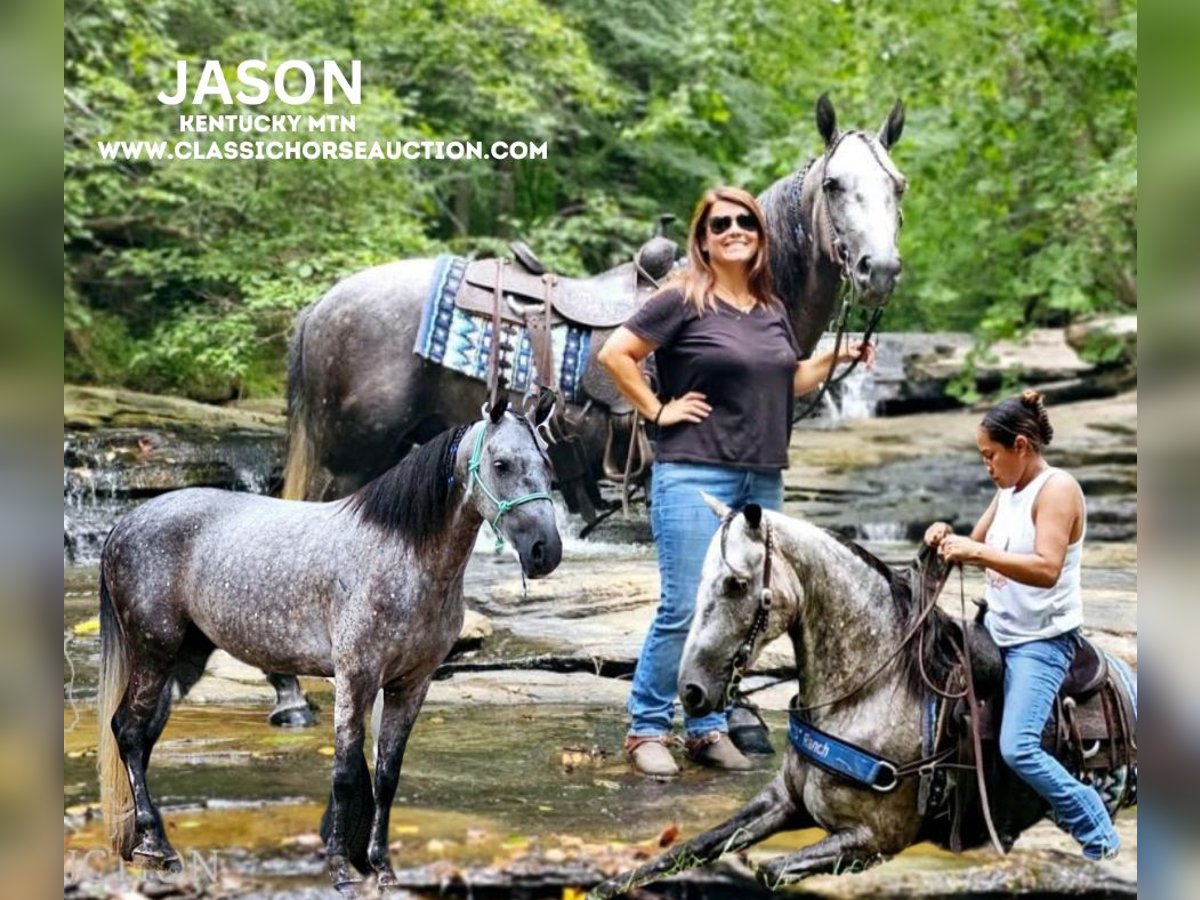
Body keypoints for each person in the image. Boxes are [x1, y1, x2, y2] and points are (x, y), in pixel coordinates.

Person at [599, 186, 873, 777]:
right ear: (702, 238)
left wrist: (837, 358)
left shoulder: (770, 308)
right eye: (720, 223)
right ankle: (646, 727)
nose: (733, 230)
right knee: (683, 606)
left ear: (759, 234)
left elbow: (786, 381)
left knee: (736, 608)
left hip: (761, 478)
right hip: (694, 470)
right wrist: (657, 409)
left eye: (745, 221)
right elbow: (617, 354)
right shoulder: (680, 299)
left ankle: (705, 726)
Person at [924, 390, 1121, 859]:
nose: (987, 466)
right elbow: (974, 544)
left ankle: (1095, 824)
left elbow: (1046, 566)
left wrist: (976, 551)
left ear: (1020, 446)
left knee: (1018, 746)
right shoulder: (1007, 490)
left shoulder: (1058, 489)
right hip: (997, 629)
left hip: (1041, 642)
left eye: (991, 455)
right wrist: (944, 537)